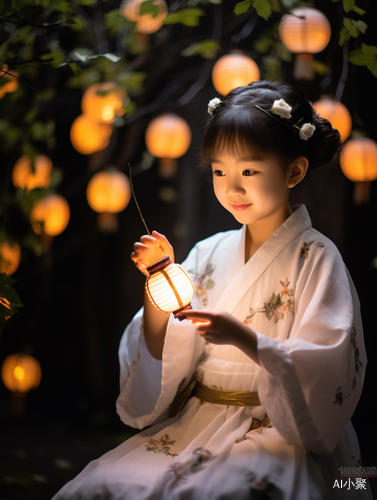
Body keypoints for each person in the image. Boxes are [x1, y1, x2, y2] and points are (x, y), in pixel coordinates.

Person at [53, 80, 371, 499]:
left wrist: (245, 338)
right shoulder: (210, 251)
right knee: (100, 485)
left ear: (294, 170)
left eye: (249, 172)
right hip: (197, 420)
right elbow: (167, 348)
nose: (231, 188)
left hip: (276, 429)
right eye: (220, 171)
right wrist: (158, 288)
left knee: (227, 490)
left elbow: (328, 359)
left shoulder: (316, 257)